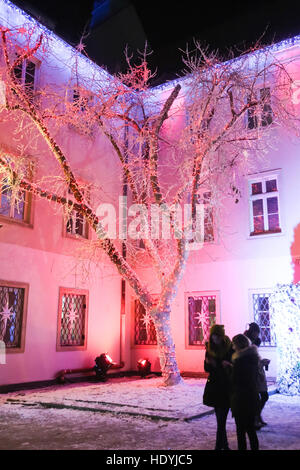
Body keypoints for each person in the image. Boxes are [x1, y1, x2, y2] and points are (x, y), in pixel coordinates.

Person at [203, 324, 233, 450]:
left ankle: (219, 446)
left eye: (217, 335)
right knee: (220, 420)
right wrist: (208, 363)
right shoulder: (209, 349)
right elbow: (206, 369)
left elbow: (233, 365)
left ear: (222, 336)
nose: (215, 338)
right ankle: (224, 446)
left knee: (222, 419)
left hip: (226, 386)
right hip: (214, 386)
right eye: (213, 335)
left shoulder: (230, 348)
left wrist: (221, 364)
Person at [231, 334, 260, 451]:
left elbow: (236, 380)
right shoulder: (253, 358)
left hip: (241, 400)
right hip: (252, 398)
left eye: (234, 344)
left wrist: (230, 370)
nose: (232, 347)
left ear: (238, 345)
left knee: (241, 432)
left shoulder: (240, 361)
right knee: (251, 430)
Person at [244, 322, 270, 428]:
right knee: (256, 398)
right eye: (255, 332)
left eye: (257, 333)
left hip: (258, 372)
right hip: (251, 374)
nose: (257, 335)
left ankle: (257, 416)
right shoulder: (245, 341)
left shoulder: (256, 341)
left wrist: (261, 362)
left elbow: (255, 356)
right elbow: (248, 358)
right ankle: (254, 419)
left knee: (264, 396)